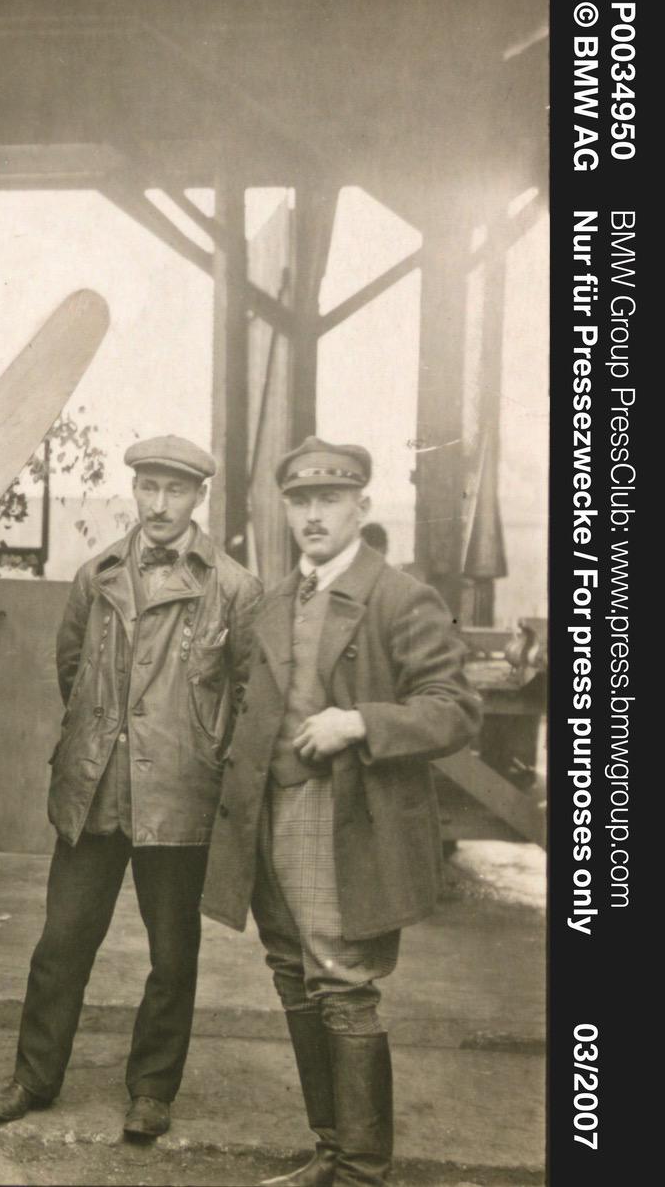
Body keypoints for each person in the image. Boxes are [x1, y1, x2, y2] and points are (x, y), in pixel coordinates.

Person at [200, 438, 482, 1186]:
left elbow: (455, 709)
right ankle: (330, 1149)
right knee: (291, 973)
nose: (314, 515)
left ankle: (361, 1170)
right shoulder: (273, 601)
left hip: (342, 812)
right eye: (301, 501)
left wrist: (358, 722)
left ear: (363, 506)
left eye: (330, 499)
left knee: (341, 982)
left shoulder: (399, 597)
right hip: (267, 810)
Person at [0, 435, 262, 1141]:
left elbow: (247, 694)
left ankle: (152, 1091)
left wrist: (195, 748)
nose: (159, 504)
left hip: (179, 797)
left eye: (175, 490)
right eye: (148, 488)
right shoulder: (96, 576)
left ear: (199, 497)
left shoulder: (234, 589)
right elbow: (72, 672)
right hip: (95, 791)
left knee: (172, 955)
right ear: (133, 490)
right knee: (61, 944)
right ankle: (34, 1077)